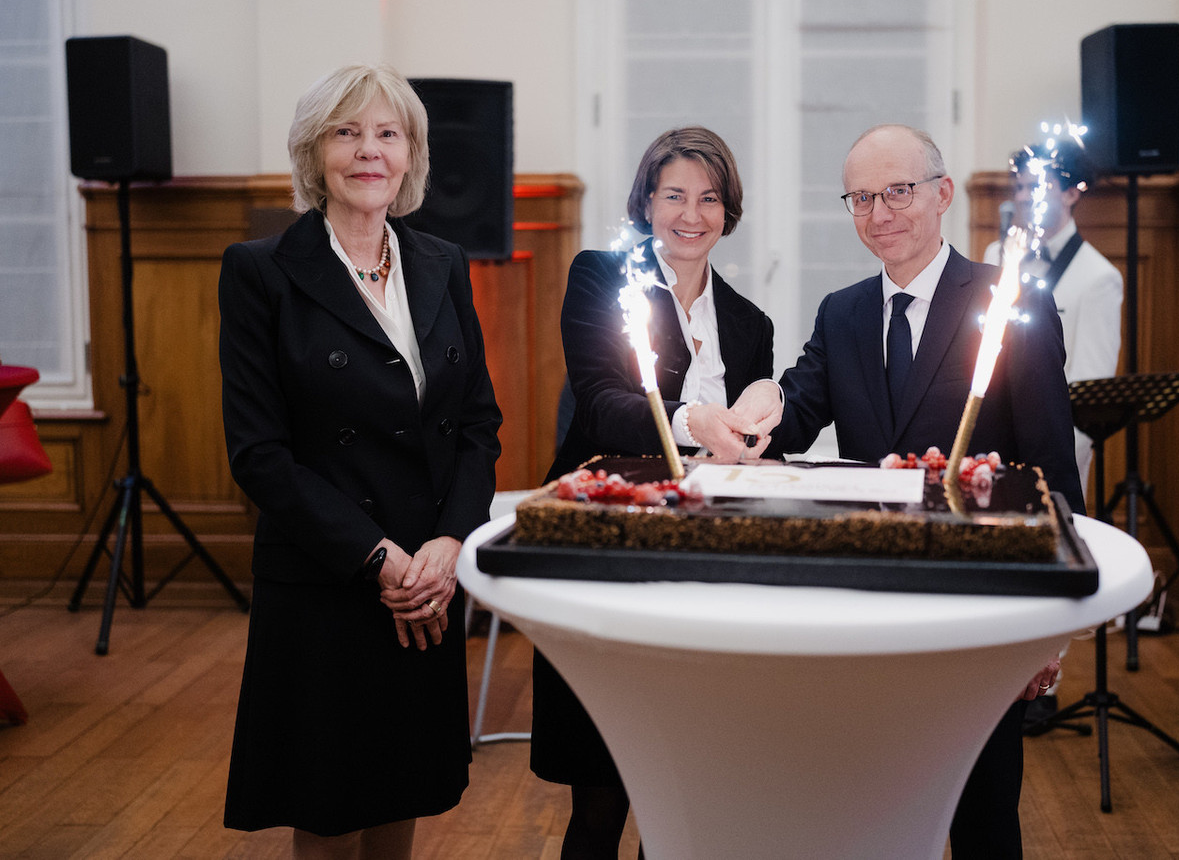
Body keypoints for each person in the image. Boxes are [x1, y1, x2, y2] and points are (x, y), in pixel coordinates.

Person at [733, 124, 1077, 857]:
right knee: (874, 808)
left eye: (898, 191)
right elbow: (795, 410)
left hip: (981, 602)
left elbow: (1051, 467)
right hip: (873, 602)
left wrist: (1051, 625)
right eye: (862, 197)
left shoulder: (1010, 301)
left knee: (984, 816)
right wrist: (760, 402)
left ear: (943, 194)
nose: (880, 212)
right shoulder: (843, 311)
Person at [219, 64, 502, 858]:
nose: (368, 150)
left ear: (410, 154)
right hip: (333, 576)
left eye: (387, 133)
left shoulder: (445, 262)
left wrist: (448, 547)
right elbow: (260, 455)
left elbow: (477, 424)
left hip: (427, 578)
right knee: (332, 806)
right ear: (315, 154)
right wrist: (380, 559)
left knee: (404, 787)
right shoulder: (261, 273)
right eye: (346, 132)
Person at [532, 126, 775, 859]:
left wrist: (763, 428)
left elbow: (753, 447)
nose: (691, 214)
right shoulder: (601, 278)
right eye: (674, 195)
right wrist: (689, 419)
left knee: (688, 795)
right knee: (601, 794)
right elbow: (602, 401)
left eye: (709, 198)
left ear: (729, 211)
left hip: (706, 567)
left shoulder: (749, 323)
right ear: (646, 203)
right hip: (611, 551)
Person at [983, 142, 1122, 499]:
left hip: (1055, 453)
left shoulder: (1099, 277)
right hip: (988, 444)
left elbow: (1087, 392)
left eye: (1038, 186)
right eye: (1020, 187)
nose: (1025, 197)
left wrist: (1052, 463)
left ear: (1072, 193)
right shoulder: (994, 255)